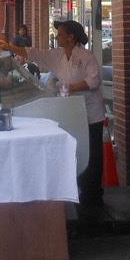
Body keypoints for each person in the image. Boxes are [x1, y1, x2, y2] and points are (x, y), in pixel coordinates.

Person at [22, 20, 105, 211]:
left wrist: (71, 86)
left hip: (91, 113)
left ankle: (93, 195)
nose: (57, 37)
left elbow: (94, 80)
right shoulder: (57, 55)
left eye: (60, 34)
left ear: (70, 36)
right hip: (72, 112)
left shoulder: (86, 56)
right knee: (78, 150)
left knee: (93, 153)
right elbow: (34, 54)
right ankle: (78, 190)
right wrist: (8, 46)